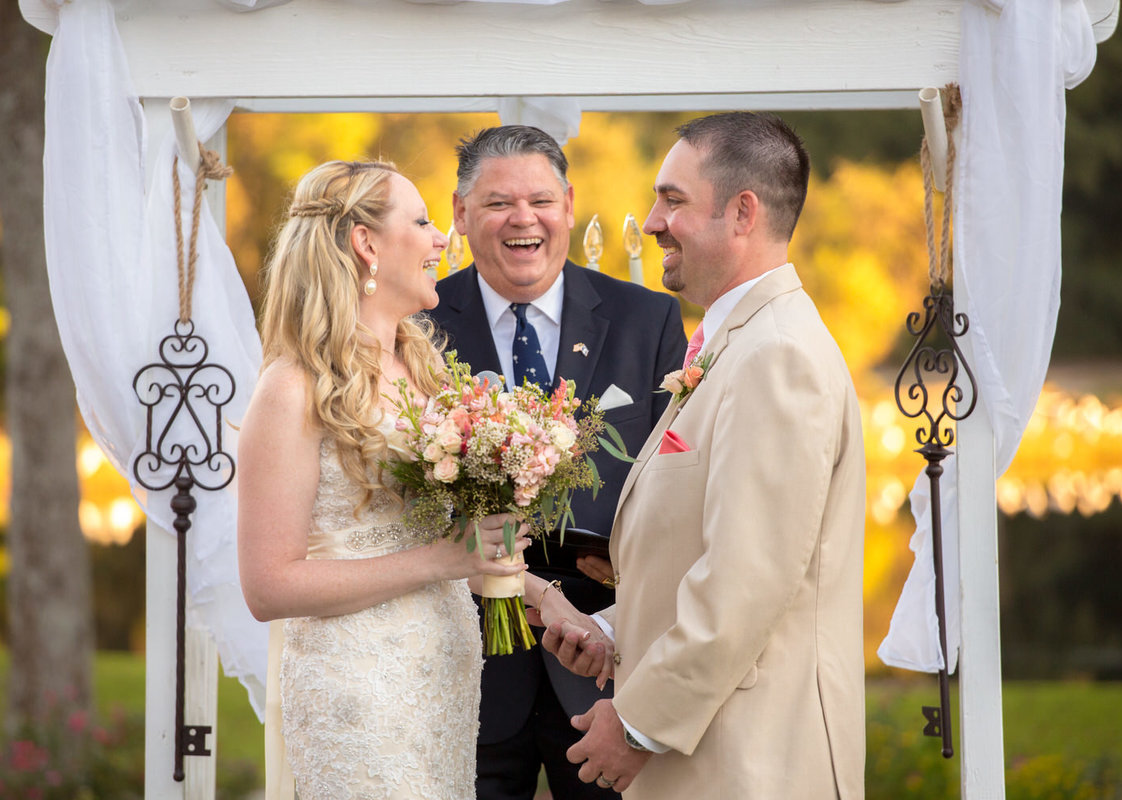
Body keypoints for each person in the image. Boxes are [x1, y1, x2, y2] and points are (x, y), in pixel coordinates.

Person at [237, 160, 597, 800]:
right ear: (365, 242)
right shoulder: (292, 388)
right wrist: (438, 561)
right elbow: (268, 585)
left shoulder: (425, 371)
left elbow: (455, 546)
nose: (442, 239)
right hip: (358, 686)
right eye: (424, 221)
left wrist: (547, 599)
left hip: (445, 679)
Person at [544, 112, 867, 799]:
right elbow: (709, 553)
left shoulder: (778, 356)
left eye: (673, 199)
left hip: (750, 762)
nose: (652, 220)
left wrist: (634, 725)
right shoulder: (736, 345)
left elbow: (743, 584)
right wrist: (614, 629)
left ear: (742, 212)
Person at [427, 126, 687, 800]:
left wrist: (629, 562)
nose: (524, 220)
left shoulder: (648, 319)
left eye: (540, 200)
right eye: (497, 204)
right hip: (463, 664)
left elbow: (678, 475)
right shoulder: (417, 328)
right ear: (460, 213)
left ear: (569, 204)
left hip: (605, 661)